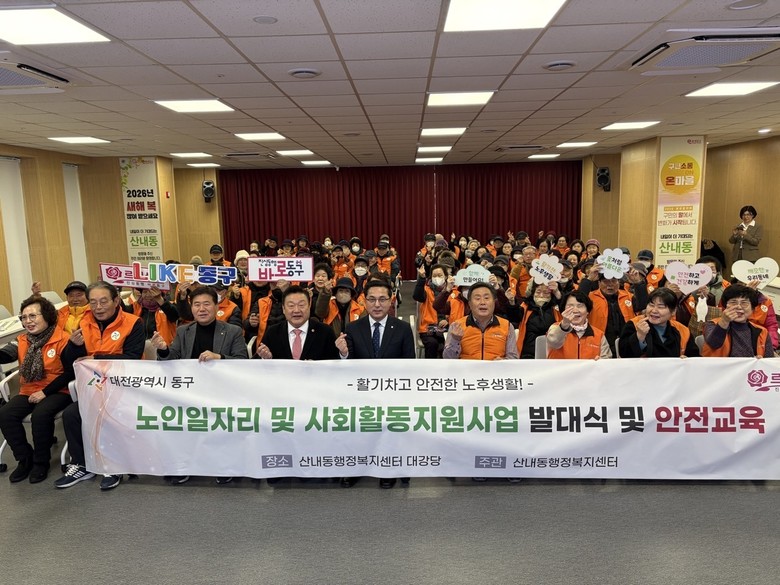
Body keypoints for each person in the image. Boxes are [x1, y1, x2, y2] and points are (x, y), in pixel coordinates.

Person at [151, 286, 248, 485]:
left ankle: (224, 464)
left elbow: (243, 362)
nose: (201, 309)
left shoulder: (233, 331)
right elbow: (172, 359)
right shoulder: (183, 330)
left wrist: (219, 357)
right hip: (190, 392)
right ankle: (183, 464)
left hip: (222, 391)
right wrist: (163, 349)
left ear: (216, 306)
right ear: (191, 308)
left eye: (206, 304)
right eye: (196, 305)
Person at [54, 282, 145, 490]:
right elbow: (69, 363)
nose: (98, 307)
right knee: (71, 414)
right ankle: (81, 464)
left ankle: (114, 466)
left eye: (104, 301)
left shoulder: (133, 323)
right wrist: (73, 346)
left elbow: (132, 358)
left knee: (109, 413)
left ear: (116, 300)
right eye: (93, 302)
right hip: (95, 388)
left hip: (125, 387)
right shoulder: (84, 323)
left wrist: (96, 358)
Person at [336, 279, 415, 489]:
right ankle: (355, 468)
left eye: (382, 299)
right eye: (372, 299)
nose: (377, 304)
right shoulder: (353, 328)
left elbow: (410, 365)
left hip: (392, 392)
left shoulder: (403, 328)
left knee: (391, 424)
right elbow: (348, 366)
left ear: (391, 301)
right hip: (361, 393)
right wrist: (343, 353)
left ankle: (387, 468)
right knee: (354, 423)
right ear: (364, 301)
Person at [0, 297, 73, 483]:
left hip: (59, 390)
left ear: (47, 316)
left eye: (33, 316)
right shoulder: (22, 339)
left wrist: (44, 393)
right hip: (29, 390)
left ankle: (41, 462)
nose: (28, 321)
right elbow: (5, 355)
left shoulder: (63, 339)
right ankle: (25, 459)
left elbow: (70, 373)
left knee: (41, 415)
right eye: (24, 317)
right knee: (5, 414)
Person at [256, 285, 339, 361]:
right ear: (283, 309)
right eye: (291, 306)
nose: (296, 310)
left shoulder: (325, 332)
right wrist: (266, 358)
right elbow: (257, 360)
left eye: (301, 305)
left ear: (309, 306)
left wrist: (316, 366)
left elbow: (334, 361)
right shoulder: (273, 332)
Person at [443, 282, 519, 360]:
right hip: (466, 367)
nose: (482, 302)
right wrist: (455, 340)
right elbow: (448, 359)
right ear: (470, 304)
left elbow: (513, 357)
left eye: (486, 298)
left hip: (495, 367)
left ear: (494, 302)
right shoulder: (457, 326)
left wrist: (503, 362)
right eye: (477, 298)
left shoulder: (507, 326)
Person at [619, 288, 699, 358]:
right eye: (651, 305)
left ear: (673, 311)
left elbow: (695, 358)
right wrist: (639, 336)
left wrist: (686, 360)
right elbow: (624, 355)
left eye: (661, 307)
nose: (654, 310)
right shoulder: (634, 324)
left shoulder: (682, 331)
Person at [702, 284, 772, 357]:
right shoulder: (712, 324)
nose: (739, 307)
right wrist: (724, 321)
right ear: (725, 306)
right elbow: (713, 344)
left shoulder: (762, 332)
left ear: (753, 309)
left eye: (744, 303)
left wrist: (760, 361)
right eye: (733, 302)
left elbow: (769, 360)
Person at [546, 290, 612, 359]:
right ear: (564, 310)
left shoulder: (599, 335)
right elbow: (554, 344)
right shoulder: (555, 328)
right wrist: (564, 325)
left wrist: (601, 361)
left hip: (590, 366)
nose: (575, 310)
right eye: (570, 306)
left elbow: (607, 360)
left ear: (587, 311)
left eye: (580, 306)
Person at [413, 264, 449, 358]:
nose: (437, 278)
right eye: (434, 276)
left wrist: (448, 320)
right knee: (432, 343)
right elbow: (417, 296)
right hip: (428, 329)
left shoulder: (452, 291)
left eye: (440, 275)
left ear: (445, 276)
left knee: (448, 344)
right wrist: (421, 279)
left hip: (447, 328)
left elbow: (456, 311)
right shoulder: (426, 289)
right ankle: (430, 366)